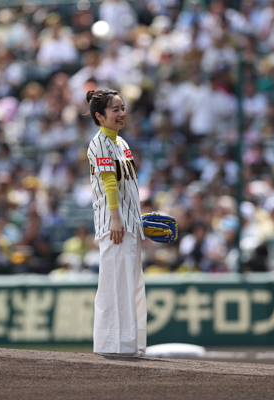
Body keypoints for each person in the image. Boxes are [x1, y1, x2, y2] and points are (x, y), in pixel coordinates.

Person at [85, 88, 146, 358]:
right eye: (115, 109)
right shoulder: (99, 142)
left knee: (131, 286)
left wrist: (137, 217)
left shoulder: (122, 143)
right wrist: (117, 219)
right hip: (114, 225)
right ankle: (111, 348)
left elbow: (129, 186)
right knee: (114, 286)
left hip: (129, 223)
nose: (122, 114)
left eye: (123, 108)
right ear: (99, 116)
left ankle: (131, 346)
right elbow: (110, 182)